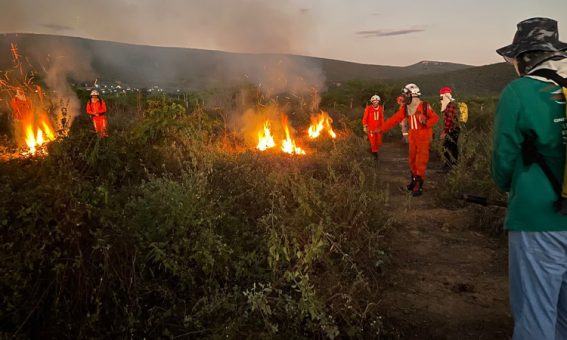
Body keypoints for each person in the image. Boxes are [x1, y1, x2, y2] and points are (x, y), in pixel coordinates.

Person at [491, 17, 567, 340]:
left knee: (536, 316)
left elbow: (502, 163)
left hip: (538, 222)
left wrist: (509, 186)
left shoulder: (519, 92)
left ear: (525, 57)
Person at [377, 83, 439, 196]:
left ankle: (419, 186)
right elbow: (394, 119)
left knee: (421, 161)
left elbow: (435, 118)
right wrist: (381, 129)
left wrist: (426, 122)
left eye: (406, 94)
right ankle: (413, 182)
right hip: (413, 136)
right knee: (412, 160)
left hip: (423, 137)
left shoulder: (424, 106)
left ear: (412, 95)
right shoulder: (406, 108)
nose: (403, 96)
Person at [439, 87, 460, 171]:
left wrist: (445, 132)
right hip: (456, 129)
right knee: (453, 147)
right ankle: (454, 165)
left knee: (446, 147)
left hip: (452, 129)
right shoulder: (454, 103)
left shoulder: (450, 104)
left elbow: (449, 120)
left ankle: (448, 165)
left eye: (441, 96)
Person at [362, 94, 384, 159]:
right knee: (373, 141)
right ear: (372, 102)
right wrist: (365, 126)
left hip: (378, 128)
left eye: (376, 101)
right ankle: (375, 155)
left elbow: (382, 118)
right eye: (374, 101)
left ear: (378, 102)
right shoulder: (368, 108)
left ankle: (373, 150)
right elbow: (365, 118)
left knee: (379, 142)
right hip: (371, 128)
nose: (375, 102)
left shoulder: (380, 108)